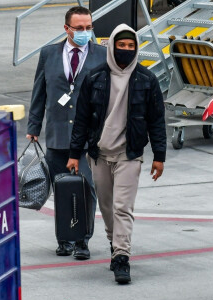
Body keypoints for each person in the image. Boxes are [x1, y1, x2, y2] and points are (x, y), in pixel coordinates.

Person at [66, 24, 166, 284]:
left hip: (129, 154)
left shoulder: (146, 80)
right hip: (99, 154)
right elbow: (82, 119)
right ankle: (114, 242)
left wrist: (159, 155)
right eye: (121, 46)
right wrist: (74, 153)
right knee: (107, 207)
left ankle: (122, 257)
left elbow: (157, 120)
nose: (126, 50)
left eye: (130, 46)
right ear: (112, 46)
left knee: (123, 208)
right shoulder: (95, 78)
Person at [27, 6, 106, 259]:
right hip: (57, 134)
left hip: (87, 137)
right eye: (79, 28)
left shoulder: (102, 55)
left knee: (86, 188)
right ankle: (64, 239)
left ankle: (83, 240)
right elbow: (39, 91)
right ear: (67, 29)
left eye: (89, 28)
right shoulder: (49, 54)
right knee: (61, 189)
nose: (85, 32)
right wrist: (33, 126)